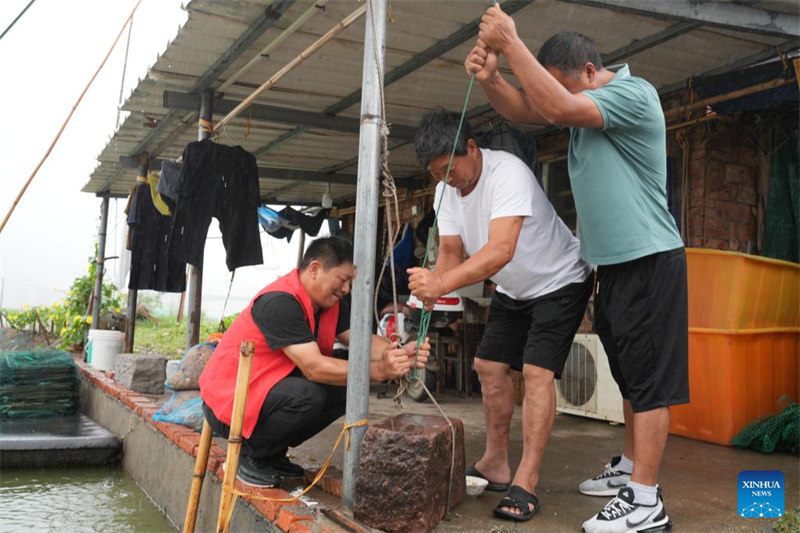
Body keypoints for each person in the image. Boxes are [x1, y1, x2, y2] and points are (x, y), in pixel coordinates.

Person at [467, 7, 688, 532]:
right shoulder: (582, 105)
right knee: (631, 376)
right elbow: (530, 108)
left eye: (564, 85)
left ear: (589, 71)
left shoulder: (634, 94)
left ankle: (645, 503)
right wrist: (493, 78)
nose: (556, 101)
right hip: (612, 266)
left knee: (650, 381)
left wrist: (511, 41)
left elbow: (556, 105)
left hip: (648, 259)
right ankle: (633, 469)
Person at [408, 110, 593, 522]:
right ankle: (495, 462)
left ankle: (525, 479)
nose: (446, 179)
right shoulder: (446, 194)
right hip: (514, 287)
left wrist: (440, 284)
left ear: (471, 148)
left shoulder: (508, 173)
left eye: (449, 168)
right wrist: (428, 290)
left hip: (561, 279)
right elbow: (453, 254)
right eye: (437, 173)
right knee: (488, 365)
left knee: (536, 372)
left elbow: (499, 250)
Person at [200, 236, 430, 488]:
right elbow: (313, 368)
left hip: (264, 394)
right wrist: (378, 370)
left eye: (349, 283)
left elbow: (361, 342)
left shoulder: (329, 304)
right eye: (343, 280)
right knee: (309, 394)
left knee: (346, 385)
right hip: (228, 406)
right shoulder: (280, 302)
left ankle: (270, 453)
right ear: (315, 269)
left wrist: (397, 351)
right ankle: (251, 455)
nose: (346, 289)